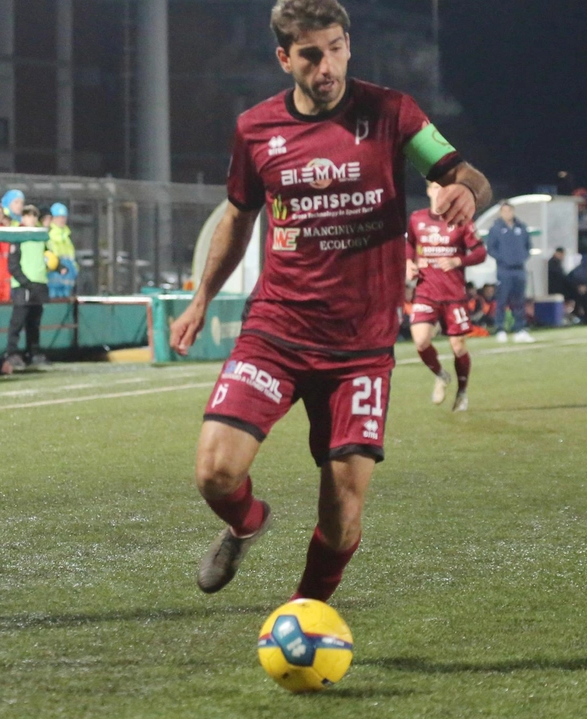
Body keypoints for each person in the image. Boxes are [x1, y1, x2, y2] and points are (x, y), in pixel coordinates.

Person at [169, 0, 491, 603]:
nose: (328, 66)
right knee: (215, 472)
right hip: (276, 329)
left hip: (360, 348)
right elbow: (238, 220)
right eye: (312, 54)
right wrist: (200, 299)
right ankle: (247, 522)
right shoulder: (255, 129)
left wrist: (467, 193)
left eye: (337, 48)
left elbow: (464, 171)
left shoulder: (391, 112)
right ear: (284, 57)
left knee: (342, 515)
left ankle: (306, 614)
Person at [406, 181, 488, 410]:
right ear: (429, 191)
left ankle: (462, 392)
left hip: (454, 295)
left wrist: (458, 260)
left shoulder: (462, 220)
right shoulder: (416, 218)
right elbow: (409, 244)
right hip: (425, 291)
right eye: (436, 187)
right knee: (421, 341)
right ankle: (441, 375)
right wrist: (408, 263)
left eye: (444, 188)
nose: (440, 191)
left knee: (459, 347)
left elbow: (481, 252)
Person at [6, 207, 51, 366]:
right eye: (28, 216)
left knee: (34, 322)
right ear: (22, 218)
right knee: (18, 321)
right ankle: (12, 353)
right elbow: (12, 264)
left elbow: (48, 257)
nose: (31, 219)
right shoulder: (17, 236)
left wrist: (57, 266)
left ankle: (33, 352)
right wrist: (25, 281)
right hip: (23, 286)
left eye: (34, 216)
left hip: (39, 284)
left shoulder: (41, 236)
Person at [486, 201, 534, 343]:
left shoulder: (521, 227)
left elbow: (528, 246)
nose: (507, 214)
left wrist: (522, 258)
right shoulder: (496, 228)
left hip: (519, 270)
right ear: (501, 213)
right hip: (504, 270)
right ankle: (500, 329)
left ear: (513, 211)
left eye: (509, 211)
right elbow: (491, 248)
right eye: (504, 211)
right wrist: (503, 259)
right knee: (502, 300)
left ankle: (519, 329)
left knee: (519, 301)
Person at [46, 202, 78, 299]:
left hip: (68, 281)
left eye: (63, 217)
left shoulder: (67, 237)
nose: (61, 220)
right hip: (53, 280)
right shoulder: (48, 235)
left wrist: (75, 269)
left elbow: (71, 257)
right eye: (58, 217)